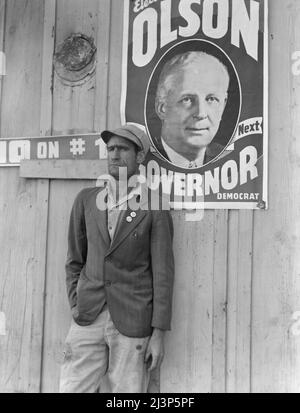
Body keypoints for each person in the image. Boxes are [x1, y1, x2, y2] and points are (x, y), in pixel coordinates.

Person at [60, 124, 175, 393]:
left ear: (139, 156)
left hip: (133, 320)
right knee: (72, 387)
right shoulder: (87, 200)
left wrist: (158, 334)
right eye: (110, 148)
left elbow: (163, 275)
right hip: (88, 316)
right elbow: (74, 260)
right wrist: (77, 303)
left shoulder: (154, 206)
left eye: (123, 149)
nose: (114, 154)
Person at [154, 51, 230, 168]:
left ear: (223, 105)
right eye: (187, 99)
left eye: (211, 99)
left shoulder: (229, 159)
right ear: (162, 108)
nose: (201, 113)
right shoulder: (140, 157)